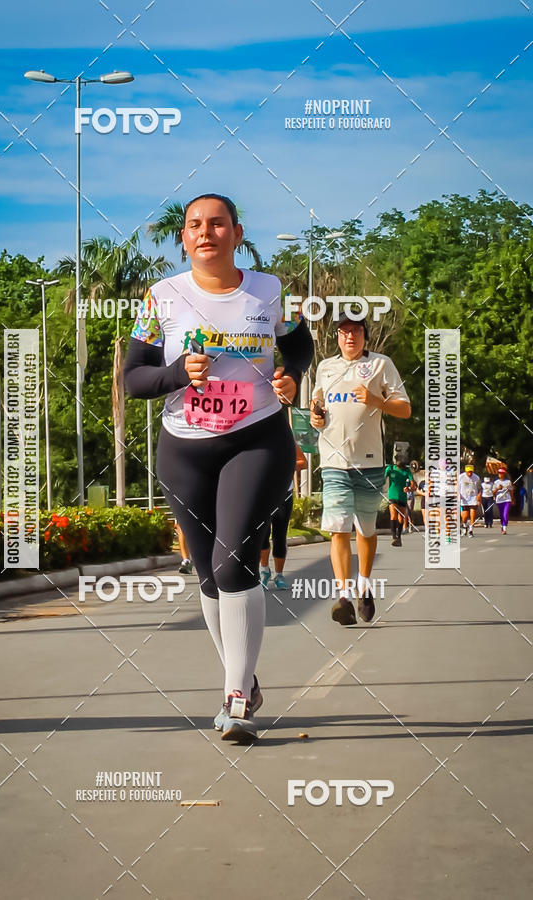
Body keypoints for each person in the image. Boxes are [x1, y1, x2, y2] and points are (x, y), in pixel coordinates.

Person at [124, 193, 313, 742]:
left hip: (256, 438)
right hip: (184, 447)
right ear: (183, 238)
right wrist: (179, 372)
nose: (205, 233)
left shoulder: (271, 291)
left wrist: (292, 378)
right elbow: (134, 379)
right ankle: (245, 678)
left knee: (234, 565)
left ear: (236, 232)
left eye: (217, 224)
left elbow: (299, 347)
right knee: (209, 576)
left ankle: (235, 700)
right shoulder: (161, 298)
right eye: (194, 226)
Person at [310, 311, 411, 626]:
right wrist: (316, 417)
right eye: (343, 332)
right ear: (337, 336)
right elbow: (318, 410)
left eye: (355, 331)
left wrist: (375, 399)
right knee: (338, 529)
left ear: (364, 335)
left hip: (369, 463)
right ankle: (343, 597)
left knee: (365, 530)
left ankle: (363, 586)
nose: (349, 337)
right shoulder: (326, 368)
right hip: (333, 462)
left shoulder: (381, 365)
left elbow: (405, 409)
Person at [259, 482, 293, 589]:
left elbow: (303, 464)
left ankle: (279, 575)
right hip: (262, 492)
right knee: (262, 534)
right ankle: (265, 571)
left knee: (280, 536)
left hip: (284, 493)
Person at [385, 459, 415, 547]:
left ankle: (399, 537)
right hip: (392, 495)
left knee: (401, 518)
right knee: (393, 515)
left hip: (402, 496)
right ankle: (394, 537)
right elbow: (383, 478)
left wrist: (408, 488)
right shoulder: (390, 469)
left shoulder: (407, 471)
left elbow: (413, 485)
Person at [459, 465, 481, 536]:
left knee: (472, 514)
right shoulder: (460, 477)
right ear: (466, 471)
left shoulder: (476, 478)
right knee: (464, 517)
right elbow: (457, 487)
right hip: (464, 498)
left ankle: (471, 529)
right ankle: (464, 526)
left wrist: (478, 497)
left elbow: (480, 489)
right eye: (468, 472)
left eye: (471, 472)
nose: (470, 473)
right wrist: (458, 494)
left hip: (473, 498)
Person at [492, 466, 514, 535]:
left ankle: (504, 528)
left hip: (507, 499)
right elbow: (493, 492)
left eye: (502, 473)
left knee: (505, 514)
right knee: (501, 514)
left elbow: (511, 491)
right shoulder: (496, 482)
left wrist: (512, 498)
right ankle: (502, 525)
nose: (500, 474)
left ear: (504, 474)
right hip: (499, 500)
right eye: (499, 473)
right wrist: (498, 488)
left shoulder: (508, 482)